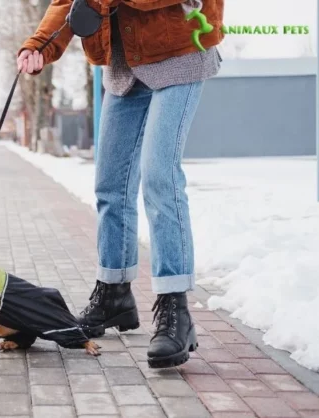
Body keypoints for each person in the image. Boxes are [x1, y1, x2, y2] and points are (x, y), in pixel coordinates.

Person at [17, 0, 223, 368]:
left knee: (160, 175)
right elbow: (68, 3)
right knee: (110, 185)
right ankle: (114, 293)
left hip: (179, 50)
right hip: (123, 65)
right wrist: (40, 45)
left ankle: (175, 307)